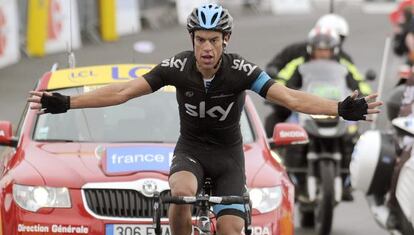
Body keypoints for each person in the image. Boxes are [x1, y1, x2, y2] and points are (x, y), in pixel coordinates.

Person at [28, 4, 382, 235]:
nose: (207, 48)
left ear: (226, 40)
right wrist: (67, 102)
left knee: (229, 229)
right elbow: (122, 92)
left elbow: (289, 97)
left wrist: (339, 108)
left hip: (229, 156)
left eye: (214, 40)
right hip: (192, 150)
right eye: (200, 40)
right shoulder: (176, 67)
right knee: (180, 196)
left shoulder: (242, 71)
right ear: (192, 40)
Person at [264, 26, 372, 137]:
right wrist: (280, 91)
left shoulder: (344, 63)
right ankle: (271, 149)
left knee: (357, 133)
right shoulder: (298, 63)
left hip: (338, 106)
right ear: (311, 49)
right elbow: (283, 78)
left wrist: (364, 95)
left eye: (326, 49)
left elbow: (358, 80)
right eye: (319, 49)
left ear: (333, 50)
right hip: (305, 107)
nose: (322, 53)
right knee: (275, 120)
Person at [265, 13, 355, 78]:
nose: (324, 47)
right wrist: (273, 71)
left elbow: (355, 81)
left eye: (339, 37)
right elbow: (276, 67)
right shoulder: (295, 52)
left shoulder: (344, 59)